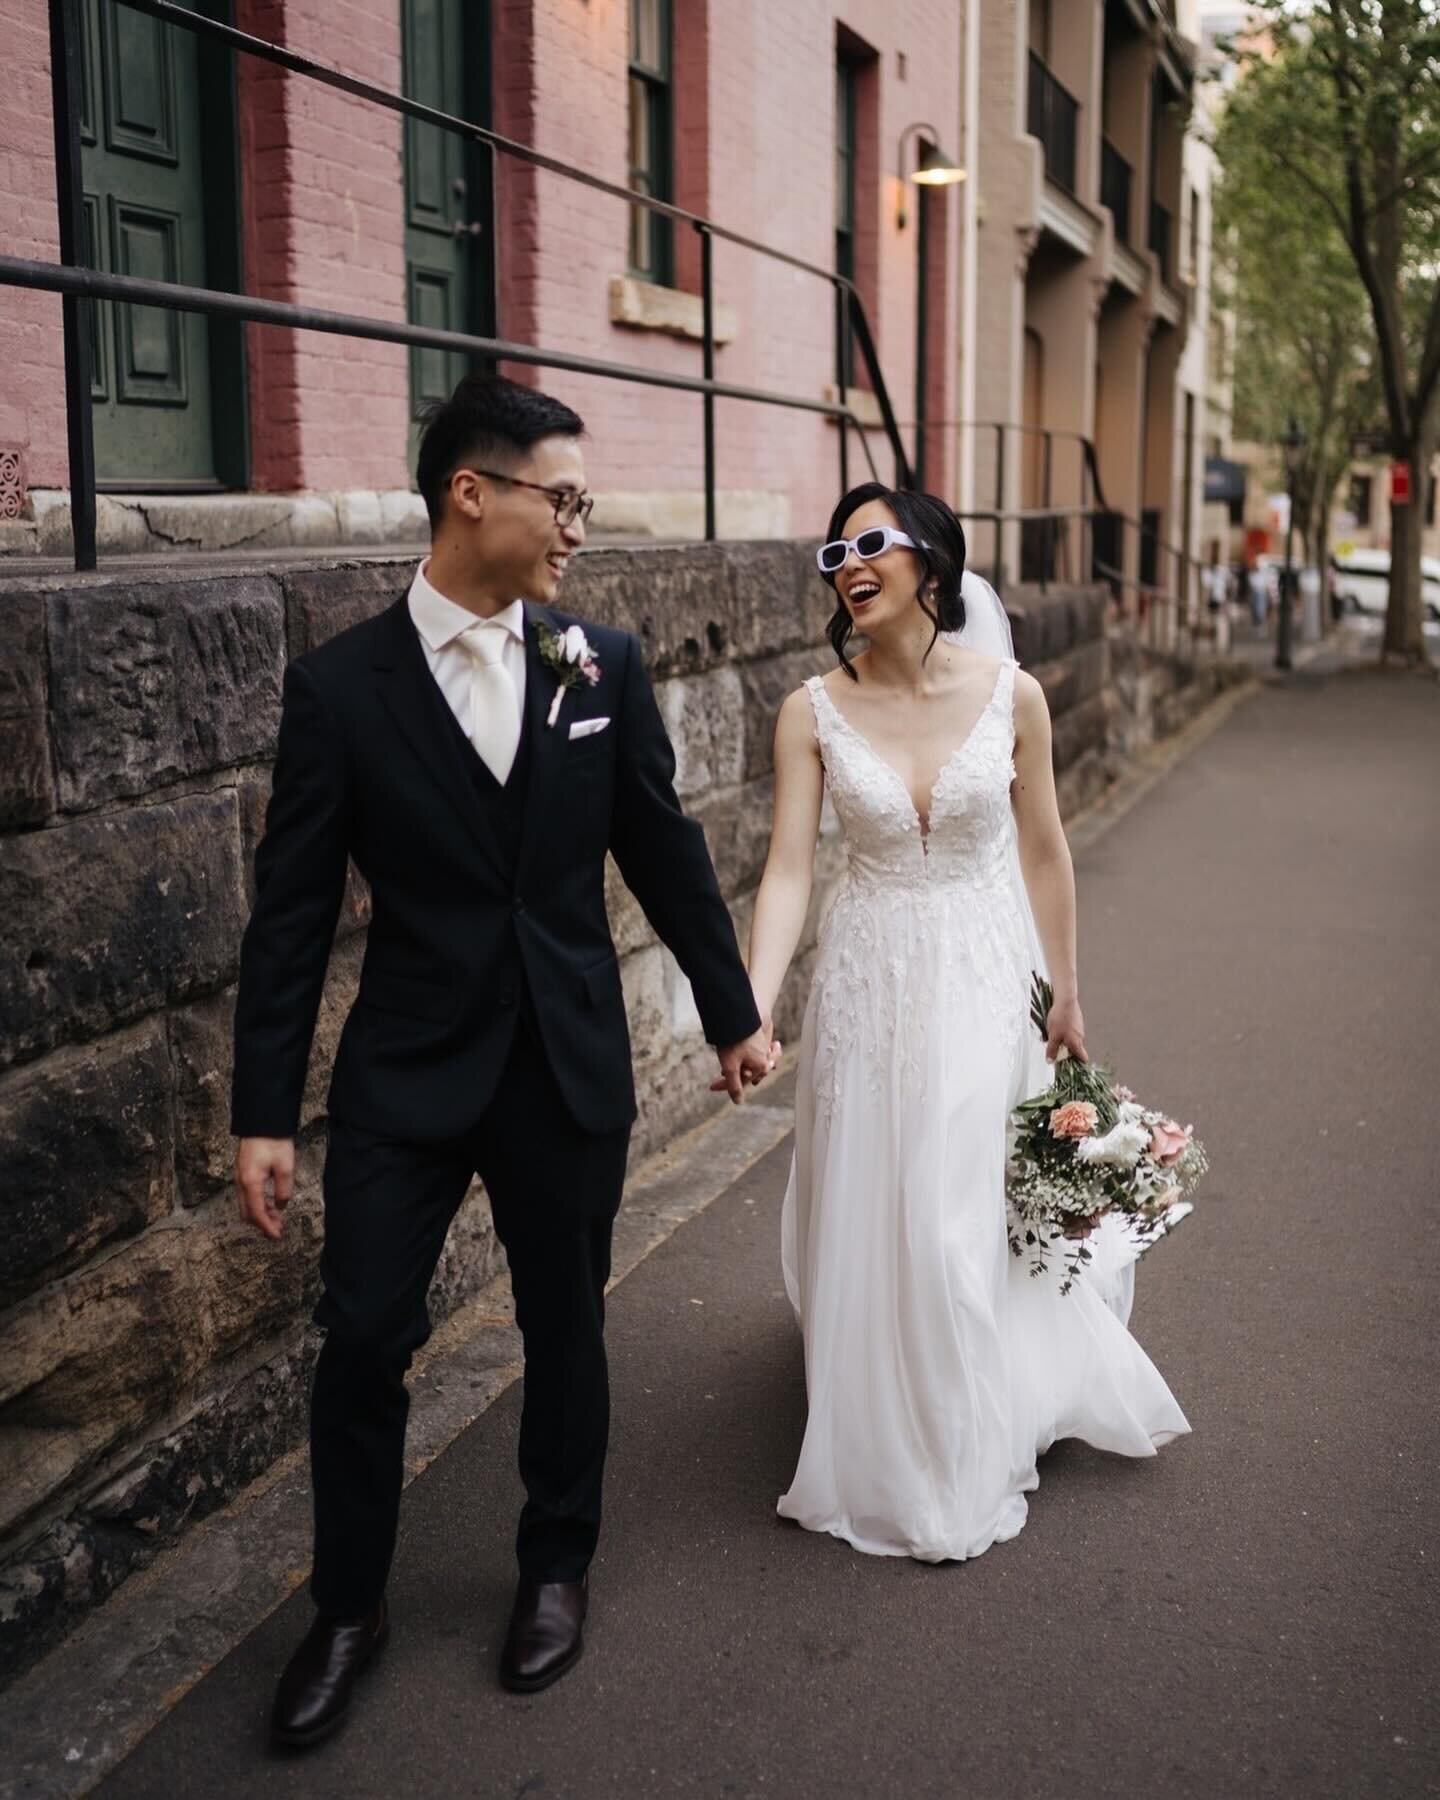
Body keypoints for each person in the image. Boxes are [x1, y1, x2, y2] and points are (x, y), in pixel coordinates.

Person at [231, 374, 774, 1746]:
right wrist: (262, 1112)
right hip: (407, 1072)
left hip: (560, 1063)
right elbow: (291, 919)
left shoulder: (602, 666)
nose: (580, 527)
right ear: (471, 493)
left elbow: (664, 849)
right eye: (564, 498)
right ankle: (348, 1607)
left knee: (566, 1325)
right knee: (360, 1336)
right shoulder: (339, 690)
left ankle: (554, 1564)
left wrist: (731, 1012)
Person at [745, 482, 1189, 1563]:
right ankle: (883, 1409)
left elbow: (1044, 850)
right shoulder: (809, 711)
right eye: (833, 551)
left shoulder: (1012, 697)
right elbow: (791, 871)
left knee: (957, 1208)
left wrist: (1070, 991)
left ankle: (957, 1440)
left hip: (989, 971)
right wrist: (752, 1008)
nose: (848, 564)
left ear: (930, 565)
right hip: (871, 978)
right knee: (886, 1193)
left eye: (872, 543)